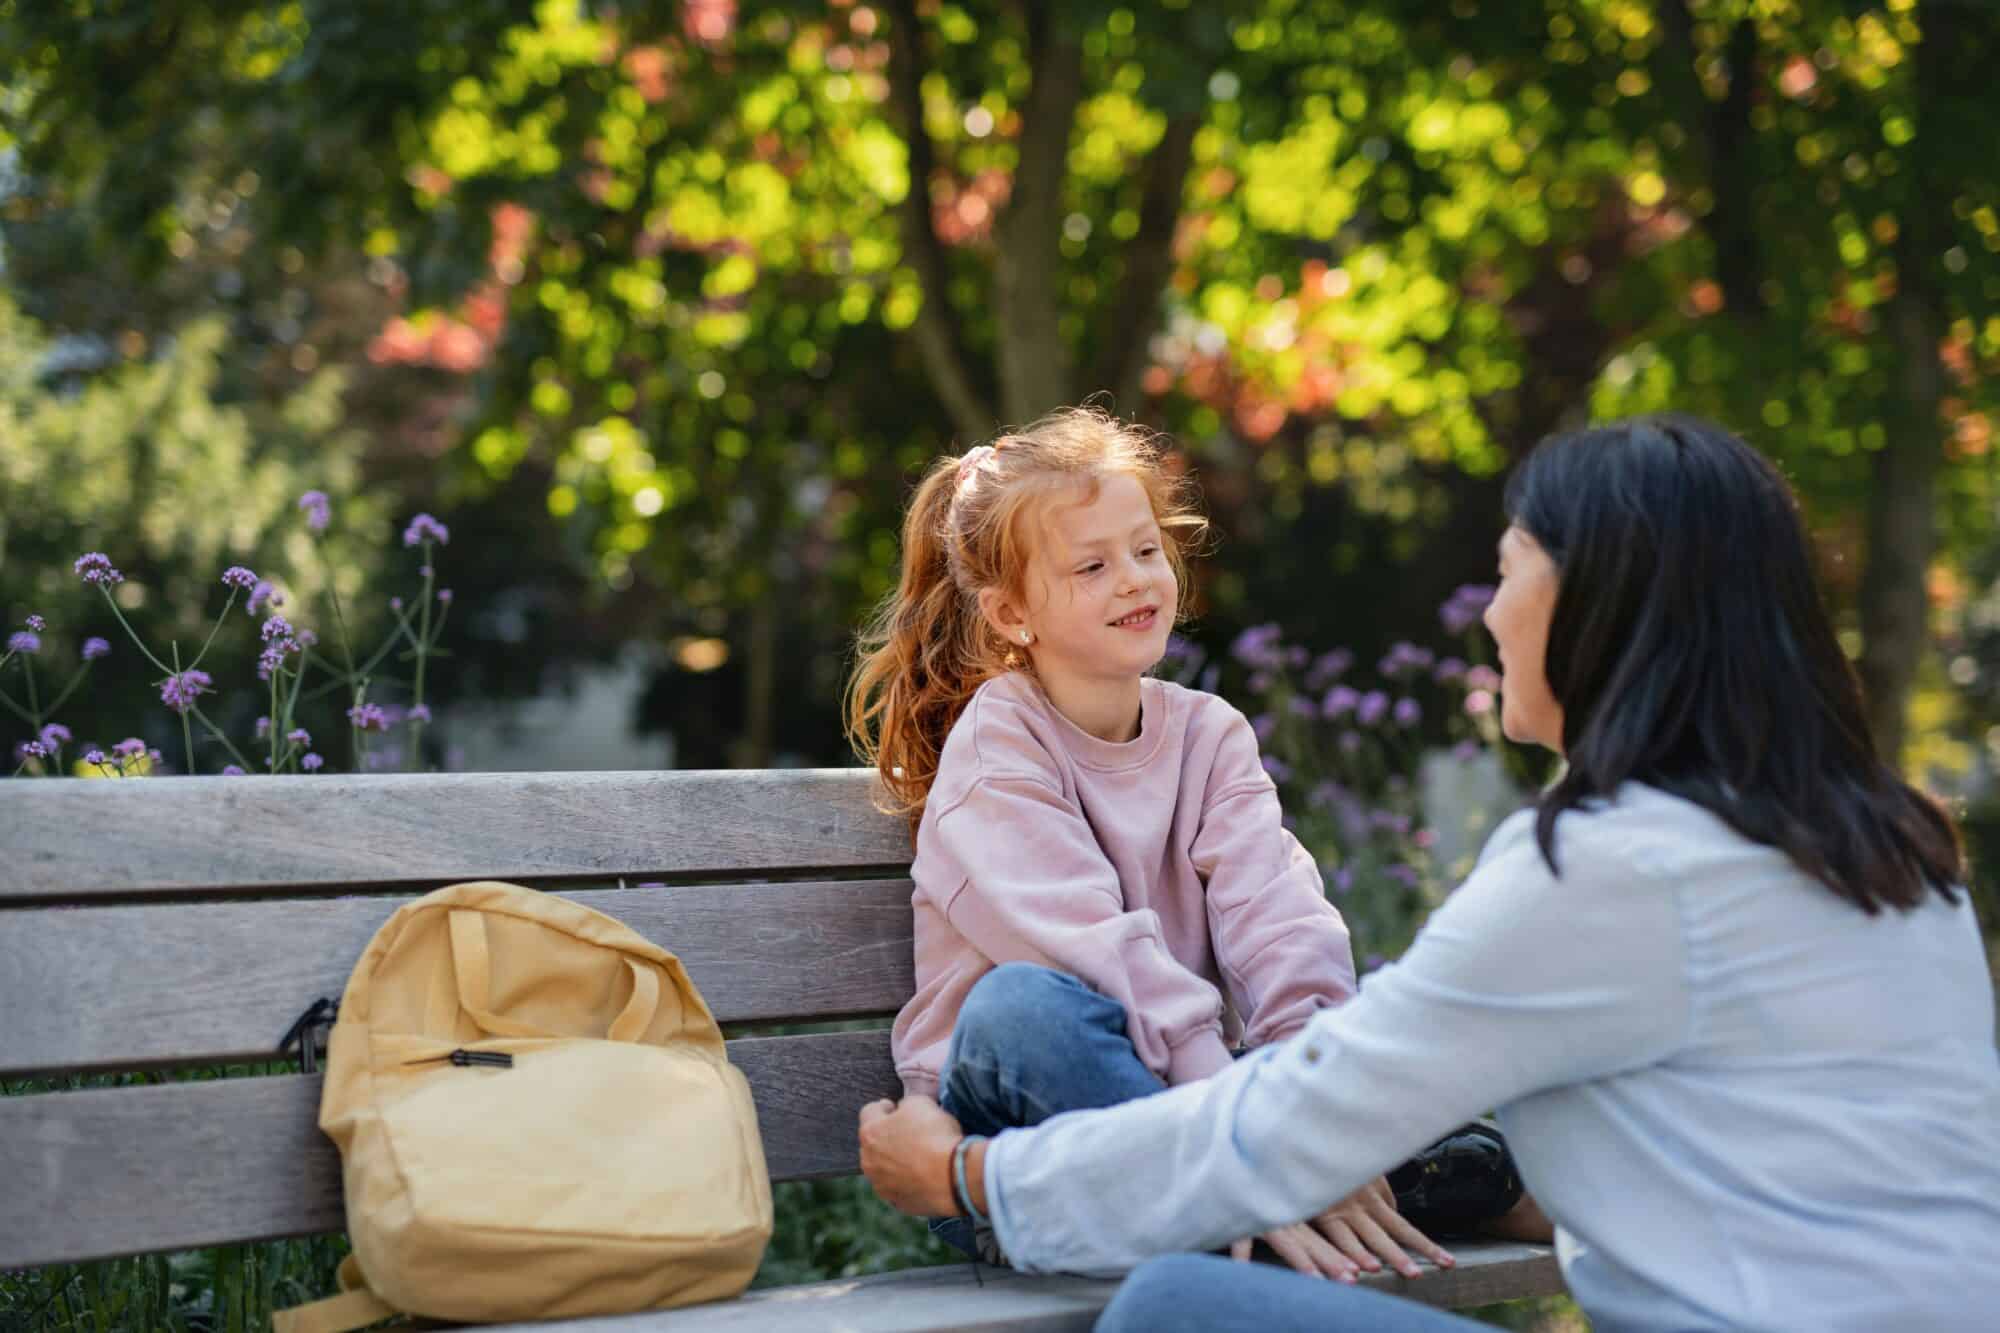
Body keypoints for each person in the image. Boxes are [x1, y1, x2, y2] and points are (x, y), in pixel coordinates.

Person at [859, 414, 2000, 1332]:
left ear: (1607, 617)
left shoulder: (1608, 871)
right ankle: (1404, 1184)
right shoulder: (1898, 852)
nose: (1489, 614)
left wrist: (966, 1180)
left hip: (1169, 1123)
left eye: (1510, 571)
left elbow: (1309, 1038)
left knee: (1176, 1305)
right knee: (1046, 1034)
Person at [845, 406, 1480, 1281]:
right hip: (1023, 1132)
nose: (1135, 579)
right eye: (1093, 565)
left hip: (1193, 1100)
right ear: (1011, 612)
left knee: (1404, 1057)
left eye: (1145, 550)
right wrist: (1243, 1139)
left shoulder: (1209, 734)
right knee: (1022, 1006)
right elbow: (1094, 955)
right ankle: (1267, 1196)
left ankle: (1307, 1185)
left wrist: (1311, 1100)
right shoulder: (999, 745)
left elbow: (1283, 921)